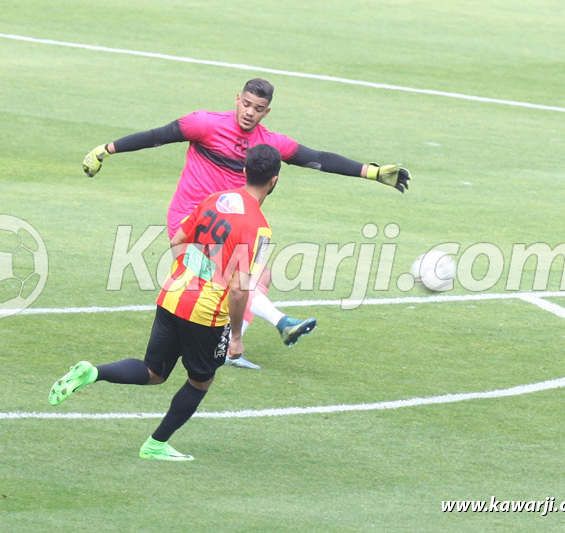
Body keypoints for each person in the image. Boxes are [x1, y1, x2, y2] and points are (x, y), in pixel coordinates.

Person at [82, 78, 411, 370]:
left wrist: (371, 172)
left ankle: (227, 346)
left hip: (226, 224)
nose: (250, 112)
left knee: (259, 276)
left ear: (267, 112)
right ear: (236, 99)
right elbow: (157, 136)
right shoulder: (204, 124)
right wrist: (106, 150)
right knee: (234, 280)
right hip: (190, 221)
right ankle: (277, 323)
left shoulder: (269, 143)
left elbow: (320, 159)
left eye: (259, 108)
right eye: (247, 104)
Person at [49, 144, 283, 461]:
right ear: (274, 181)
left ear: (244, 172)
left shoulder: (214, 199)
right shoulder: (260, 228)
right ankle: (156, 444)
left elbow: (177, 240)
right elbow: (241, 290)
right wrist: (237, 337)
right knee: (201, 381)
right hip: (205, 312)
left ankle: (93, 372)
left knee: (154, 370)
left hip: (172, 293)